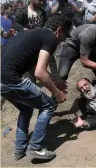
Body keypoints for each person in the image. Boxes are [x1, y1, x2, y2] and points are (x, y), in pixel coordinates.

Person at [1, 13, 72, 161]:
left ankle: (20, 149)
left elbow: (36, 69)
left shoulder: (34, 34)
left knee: (26, 108)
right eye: (65, 33)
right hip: (12, 79)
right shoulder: (51, 37)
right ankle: (35, 148)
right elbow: (40, 73)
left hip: (2, 81)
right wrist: (56, 92)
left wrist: (56, 81)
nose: (64, 38)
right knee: (48, 106)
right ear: (59, 30)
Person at [58, 14, 96, 81]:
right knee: (62, 75)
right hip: (72, 47)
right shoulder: (88, 34)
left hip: (89, 49)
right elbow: (84, 62)